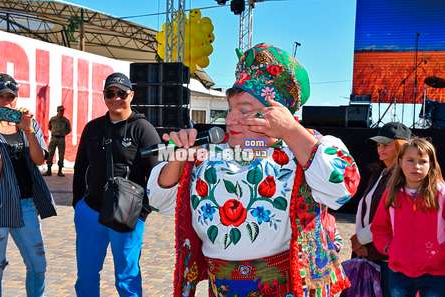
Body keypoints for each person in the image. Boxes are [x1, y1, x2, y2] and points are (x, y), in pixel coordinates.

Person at [147, 44, 360, 297]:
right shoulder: (208, 152)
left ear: (277, 112)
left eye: (244, 110)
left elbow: (341, 189)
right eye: (230, 109)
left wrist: (291, 131)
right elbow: (159, 200)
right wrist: (178, 156)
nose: (231, 119)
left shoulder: (304, 149)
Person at [72, 72, 161, 297]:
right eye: (110, 93)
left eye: (121, 93)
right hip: (91, 212)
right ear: (104, 96)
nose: (116, 98)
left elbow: (155, 173)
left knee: (127, 279)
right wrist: (78, 205)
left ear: (131, 95)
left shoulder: (143, 129)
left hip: (127, 215)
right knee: (86, 277)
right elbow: (81, 167)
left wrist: (142, 212)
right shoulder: (93, 128)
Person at [0, 73, 57, 297]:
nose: (6, 102)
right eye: (0, 97)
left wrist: (28, 130)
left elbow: (39, 160)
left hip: (26, 205)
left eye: (10, 97)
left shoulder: (27, 122)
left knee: (38, 266)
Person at [371, 137, 445, 297]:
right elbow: (379, 227)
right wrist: (389, 248)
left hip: (436, 273)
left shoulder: (441, 194)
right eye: (410, 160)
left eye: (422, 161)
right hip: (399, 272)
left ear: (431, 164)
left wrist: (440, 254)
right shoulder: (391, 194)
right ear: (400, 161)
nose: (416, 166)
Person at [350, 121, 411, 296]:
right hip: (371, 253)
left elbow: (393, 218)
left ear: (401, 146)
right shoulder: (381, 173)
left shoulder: (403, 177)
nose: (380, 149)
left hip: (387, 257)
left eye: (386, 144)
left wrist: (361, 239)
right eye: (378, 145)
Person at [43, 105, 71, 177]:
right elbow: (49, 127)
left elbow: (69, 129)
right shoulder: (53, 119)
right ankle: (49, 170)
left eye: (63, 111)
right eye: (61, 111)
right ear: (58, 111)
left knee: (61, 155)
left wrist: (63, 133)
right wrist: (54, 132)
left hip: (61, 139)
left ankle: (60, 171)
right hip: (53, 138)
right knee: (50, 154)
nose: (62, 112)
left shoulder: (65, 120)